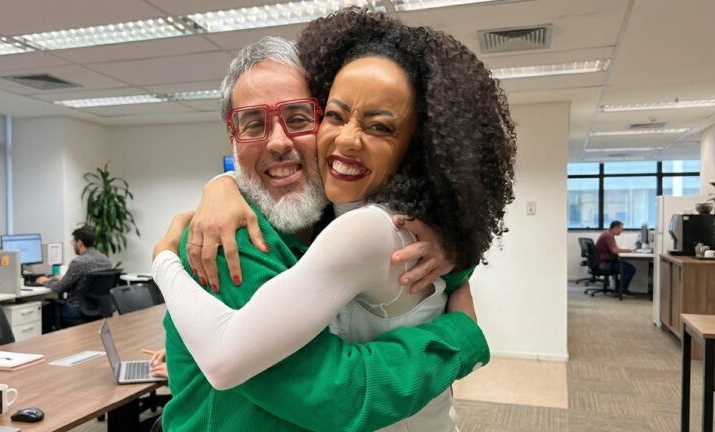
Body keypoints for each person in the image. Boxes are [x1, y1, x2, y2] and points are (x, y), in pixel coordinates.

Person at [156, 8, 514, 432]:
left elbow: (434, 270)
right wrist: (462, 336)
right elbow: (333, 392)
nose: (277, 142)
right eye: (253, 123)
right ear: (232, 138)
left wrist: (450, 250)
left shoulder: (335, 214)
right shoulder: (226, 239)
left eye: (298, 117)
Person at [39, 226, 111, 331]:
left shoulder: (79, 262)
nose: (73, 245)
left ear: (80, 242)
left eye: (74, 242)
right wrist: (64, 278)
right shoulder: (105, 259)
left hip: (77, 310)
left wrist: (46, 281)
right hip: (98, 309)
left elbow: (59, 287)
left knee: (43, 310)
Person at [596, 220, 636, 294]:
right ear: (615, 228)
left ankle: (619, 288)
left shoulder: (608, 234)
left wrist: (626, 250)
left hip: (605, 261)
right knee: (631, 269)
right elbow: (614, 251)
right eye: (621, 228)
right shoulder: (608, 235)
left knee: (627, 267)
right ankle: (621, 290)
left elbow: (615, 248)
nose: (622, 231)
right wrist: (630, 251)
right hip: (605, 264)